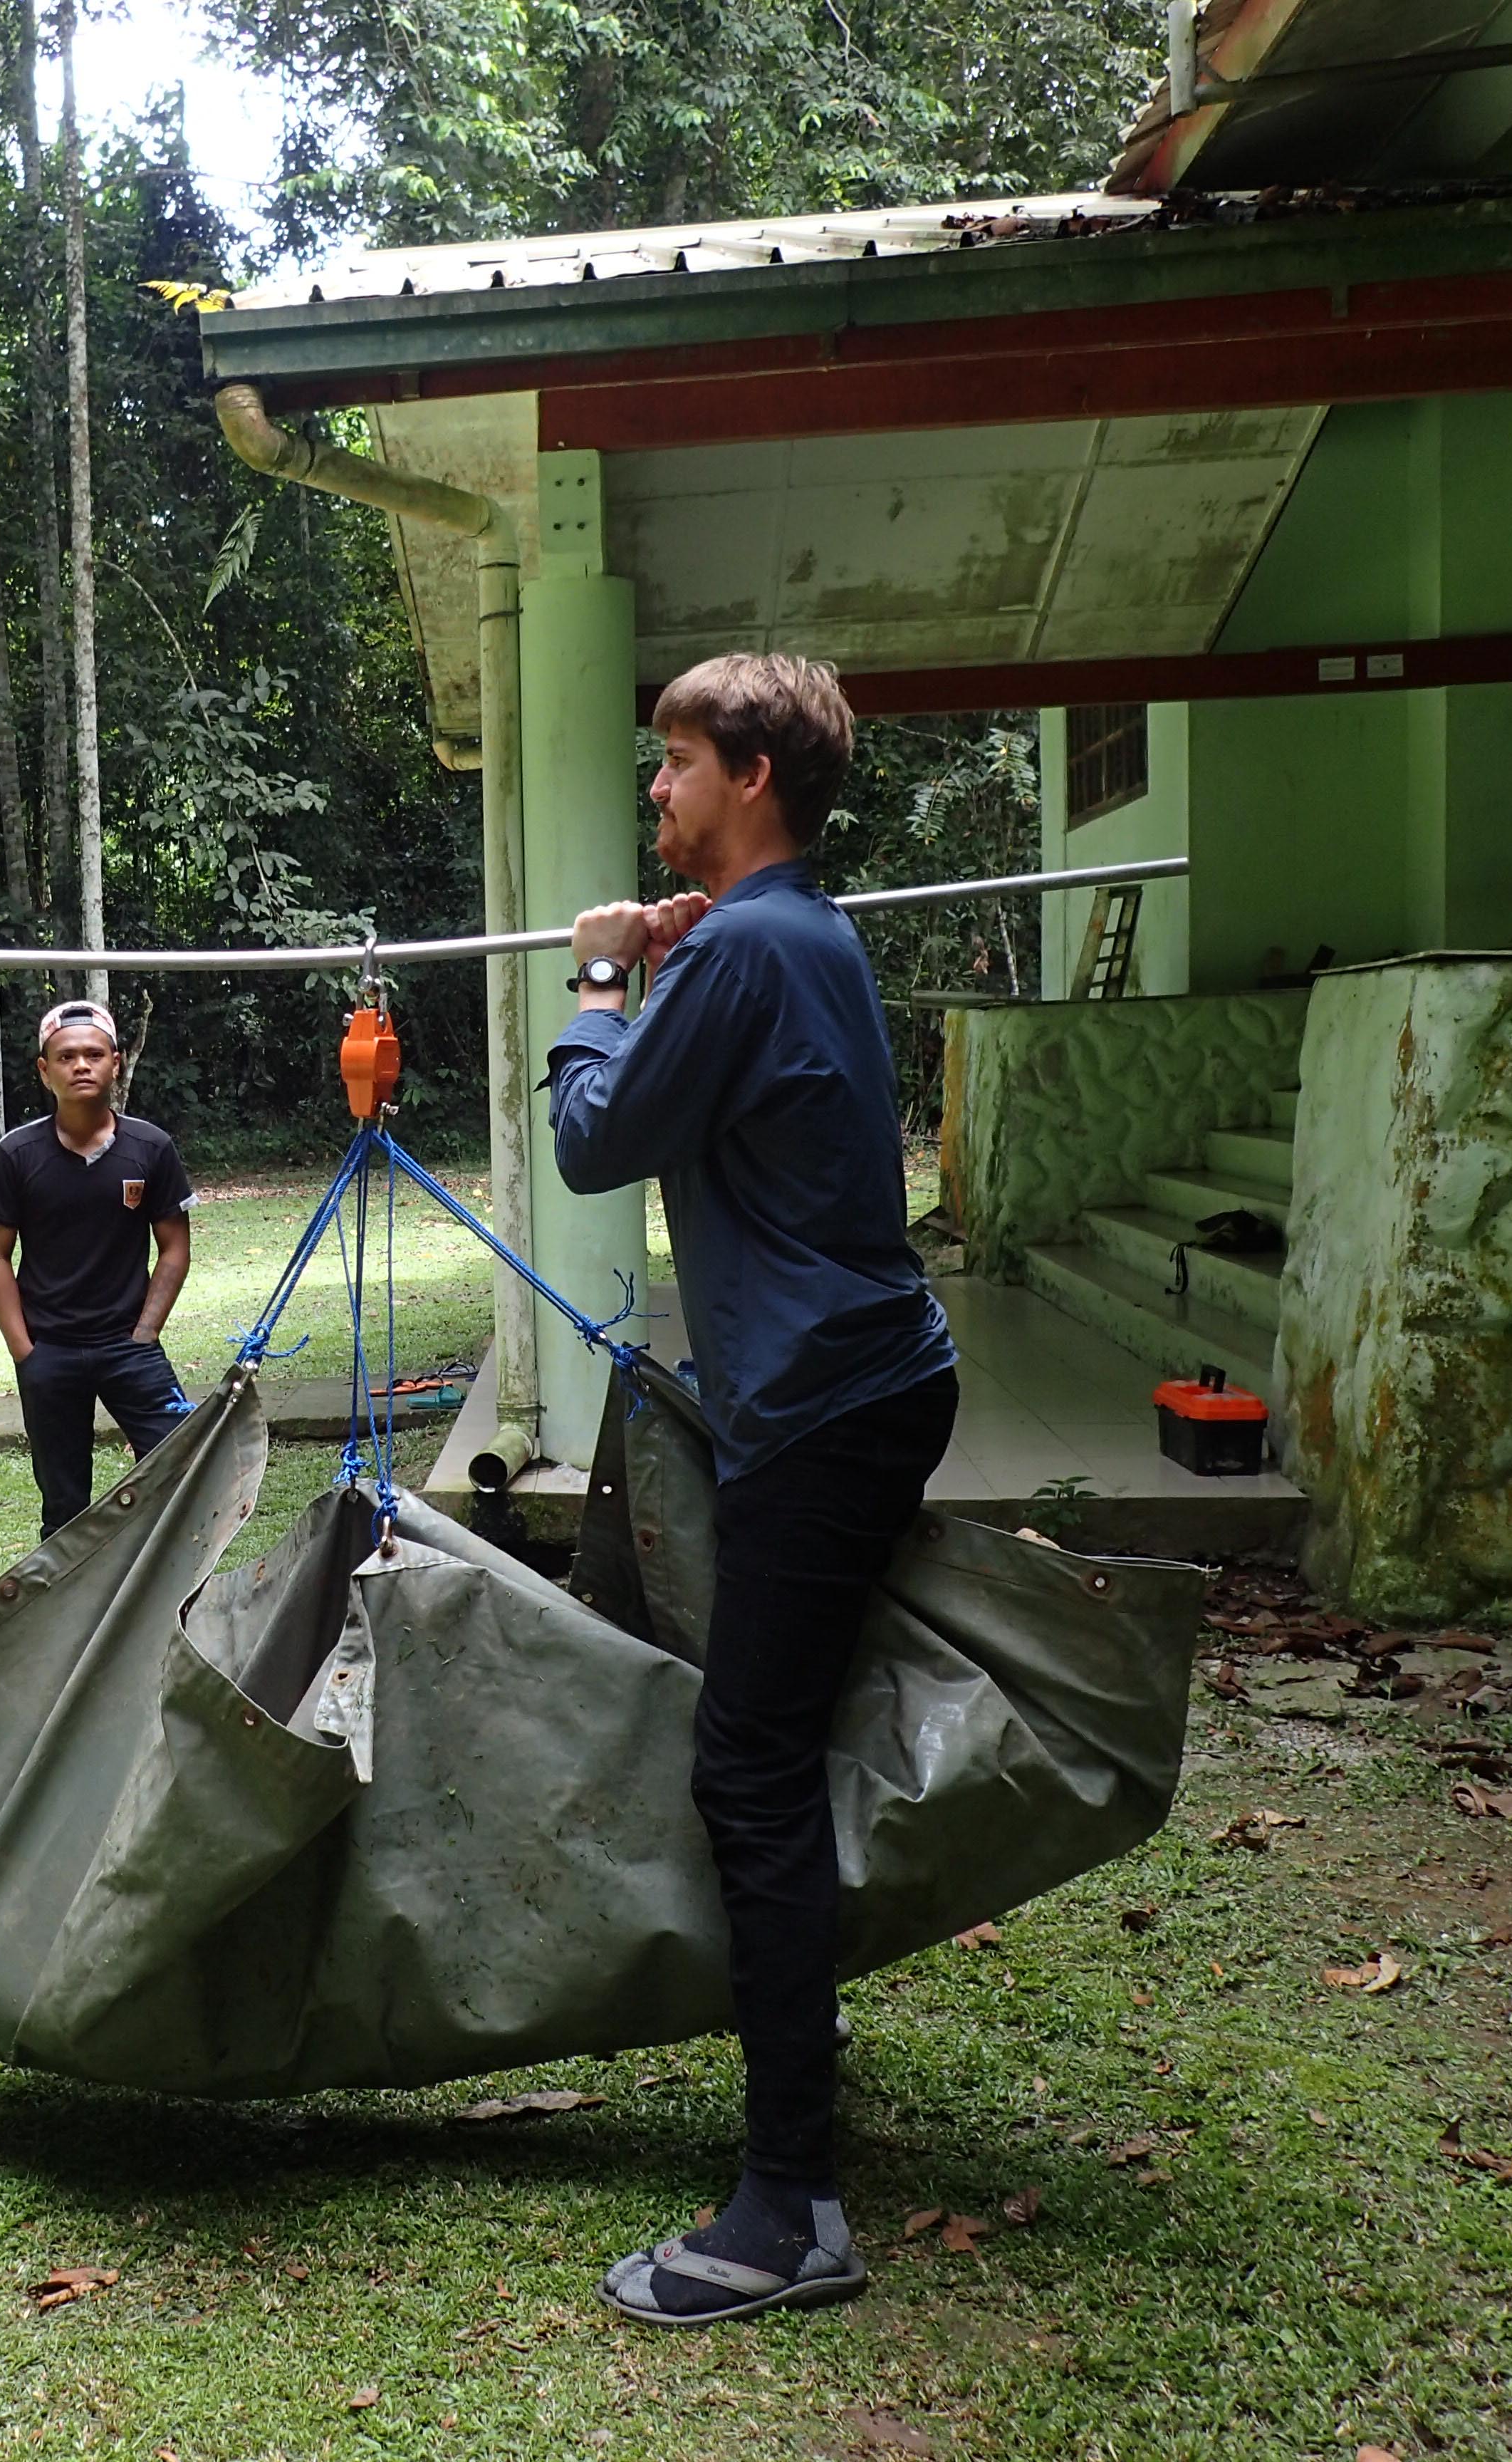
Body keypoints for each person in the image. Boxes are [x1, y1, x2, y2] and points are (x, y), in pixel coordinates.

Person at [544, 653, 961, 2327]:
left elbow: (595, 1137)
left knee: (750, 1768)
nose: (656, 789)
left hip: (823, 1403)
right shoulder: (783, 935)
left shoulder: (744, 946)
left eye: (676, 762)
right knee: (768, 1743)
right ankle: (799, 2081)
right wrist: (664, 965)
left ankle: (791, 2205)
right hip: (857, 1381)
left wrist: (596, 982)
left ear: (753, 779)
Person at [0, 999, 196, 1537]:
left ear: (116, 1063)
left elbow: (174, 1247)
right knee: (64, 1502)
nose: (81, 1066)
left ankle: (166, 1578)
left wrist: (146, 1332)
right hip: (49, 1351)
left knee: (181, 1465)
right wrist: (24, 1350)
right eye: (66, 1056)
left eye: (94, 1055)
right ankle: (72, 1593)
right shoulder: (17, 1154)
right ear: (44, 1070)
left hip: (129, 1346)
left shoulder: (150, 1148)